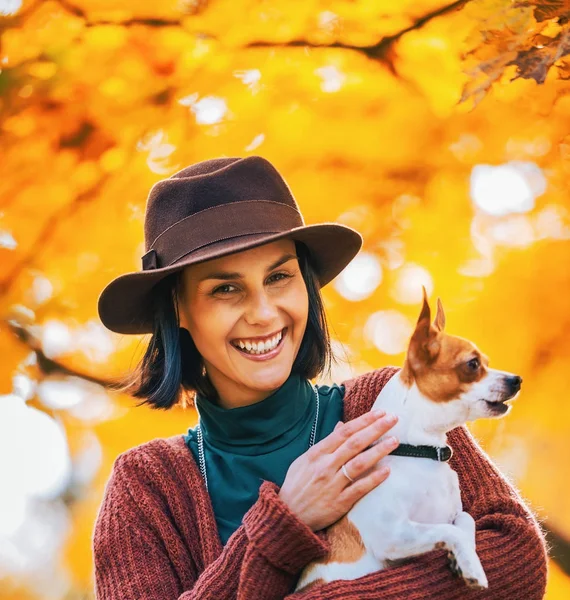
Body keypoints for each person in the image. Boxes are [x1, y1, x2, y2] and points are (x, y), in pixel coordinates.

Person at [92, 156, 548, 599]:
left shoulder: (388, 405)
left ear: (306, 286)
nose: (265, 313)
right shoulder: (145, 488)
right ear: (178, 309)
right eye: (226, 288)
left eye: (279, 277)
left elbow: (517, 560)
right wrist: (283, 524)